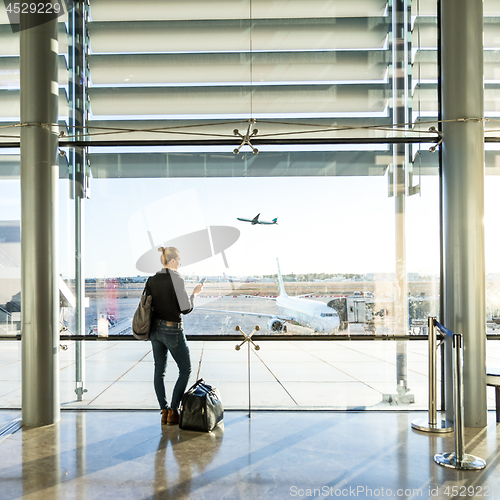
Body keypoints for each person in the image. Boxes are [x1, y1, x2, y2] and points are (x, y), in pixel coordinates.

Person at [146, 246, 203, 425]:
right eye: (179, 260)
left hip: (155, 330)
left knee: (159, 371)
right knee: (185, 369)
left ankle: (164, 411)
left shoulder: (152, 280)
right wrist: (194, 294)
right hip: (172, 329)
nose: (180, 263)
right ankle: (173, 410)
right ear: (171, 261)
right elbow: (185, 309)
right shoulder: (177, 278)